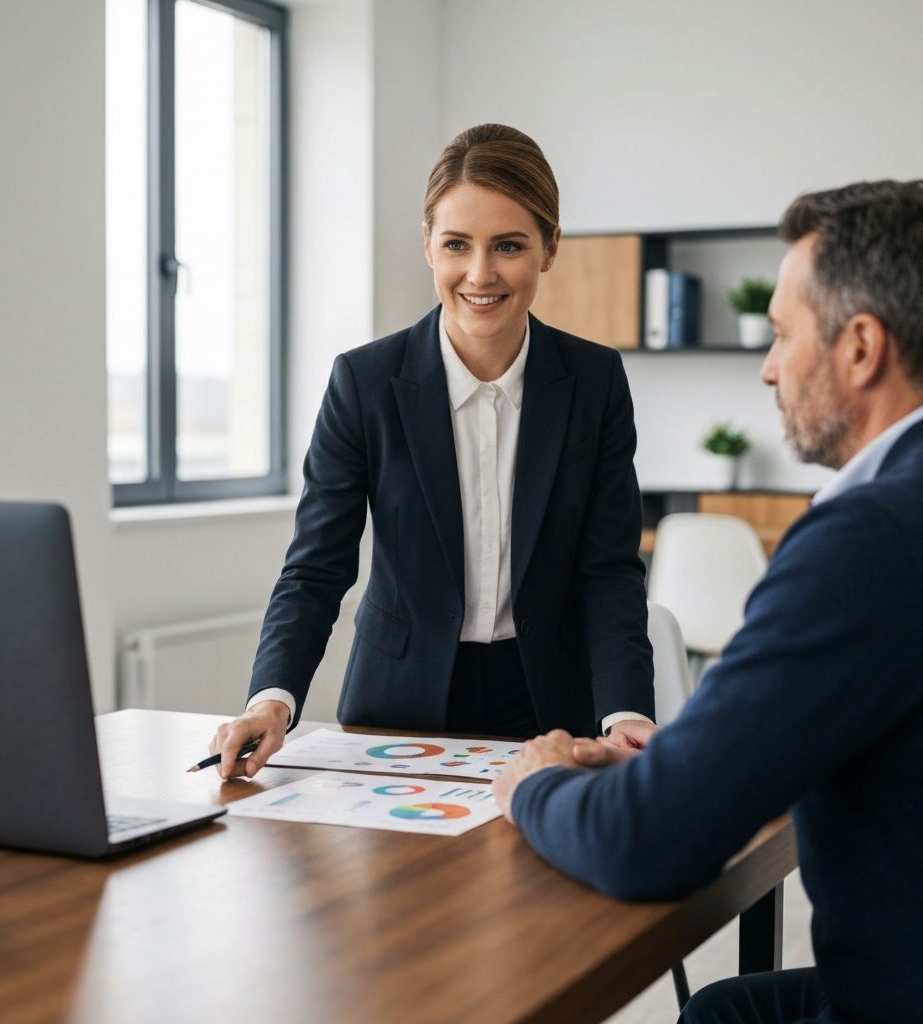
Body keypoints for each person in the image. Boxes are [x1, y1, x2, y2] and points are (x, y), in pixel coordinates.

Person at [493, 179, 923, 1024]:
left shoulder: (869, 537)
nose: (767, 369)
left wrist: (532, 785)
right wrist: (685, 763)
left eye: (782, 335)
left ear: (861, 346)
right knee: (724, 1010)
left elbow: (647, 846)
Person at [210, 124, 654, 779]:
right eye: (456, 245)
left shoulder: (593, 382)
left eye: (508, 245)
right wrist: (272, 698)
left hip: (549, 705)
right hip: (398, 700)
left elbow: (610, 569)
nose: (481, 274)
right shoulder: (364, 383)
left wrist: (626, 713)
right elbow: (317, 566)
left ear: (550, 248)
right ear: (427, 246)